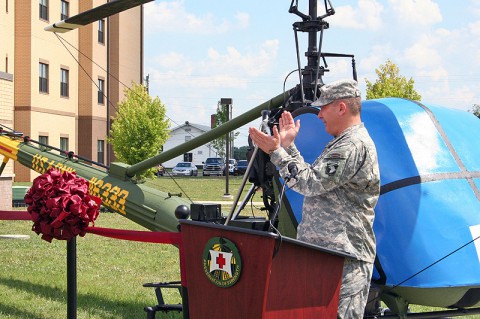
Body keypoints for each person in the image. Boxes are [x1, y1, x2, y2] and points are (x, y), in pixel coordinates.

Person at [249, 79, 380, 318]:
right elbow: (313, 177)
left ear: (341, 107)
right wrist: (288, 147)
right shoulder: (342, 143)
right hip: (327, 257)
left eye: (324, 107)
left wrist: (276, 152)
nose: (319, 115)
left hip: (344, 261)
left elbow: (309, 183)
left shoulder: (351, 145)